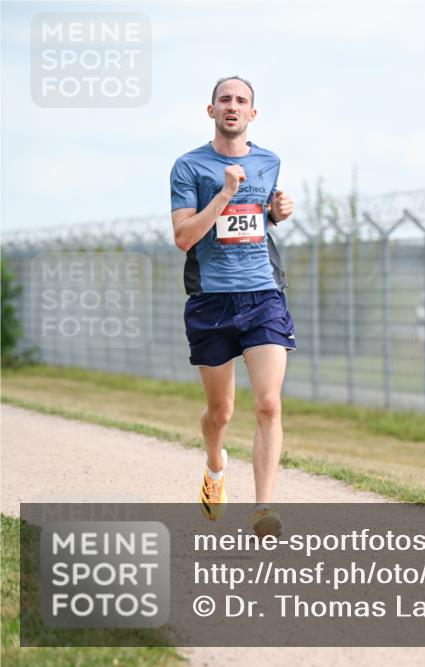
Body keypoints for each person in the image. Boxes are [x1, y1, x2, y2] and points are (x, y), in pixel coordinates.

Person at [169, 75, 295, 538]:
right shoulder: (188, 167)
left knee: (268, 403)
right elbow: (183, 237)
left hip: (264, 295)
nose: (233, 106)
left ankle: (263, 510)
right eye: (225, 99)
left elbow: (262, 218)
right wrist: (222, 194)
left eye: (242, 101)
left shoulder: (269, 161)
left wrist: (278, 211)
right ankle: (215, 466)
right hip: (211, 301)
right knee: (220, 413)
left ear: (252, 114)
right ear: (211, 110)